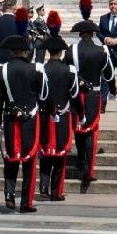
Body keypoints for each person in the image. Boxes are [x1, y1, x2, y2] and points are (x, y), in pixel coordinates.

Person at [0, 34, 45, 212]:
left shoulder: (2, 69)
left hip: (9, 118)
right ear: (25, 51)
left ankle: (9, 195)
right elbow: (43, 95)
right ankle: (26, 202)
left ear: (11, 51)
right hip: (30, 118)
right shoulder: (36, 68)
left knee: (11, 158)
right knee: (29, 162)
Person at [68, 19, 109, 193]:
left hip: (76, 94)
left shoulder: (71, 50)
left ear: (80, 34)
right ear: (92, 34)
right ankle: (88, 170)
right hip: (93, 95)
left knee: (79, 128)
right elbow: (107, 74)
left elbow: (68, 72)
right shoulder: (101, 51)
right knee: (91, 131)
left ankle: (79, 161)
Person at [37, 38, 78, 201]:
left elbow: (39, 93)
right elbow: (74, 93)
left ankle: (43, 187)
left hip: (45, 114)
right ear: (61, 52)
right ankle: (56, 191)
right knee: (60, 155)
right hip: (62, 113)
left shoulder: (41, 70)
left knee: (46, 152)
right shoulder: (69, 69)